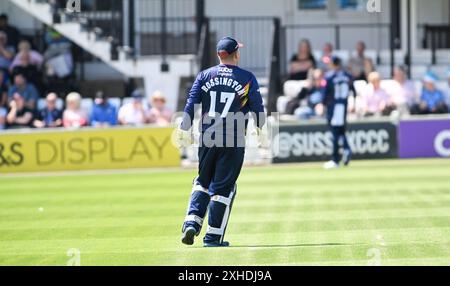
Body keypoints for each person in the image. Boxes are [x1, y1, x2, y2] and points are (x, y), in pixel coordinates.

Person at [176, 36, 266, 247]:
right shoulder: (247, 78)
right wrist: (262, 132)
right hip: (233, 140)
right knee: (224, 188)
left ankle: (192, 221)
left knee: (203, 181)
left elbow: (191, 105)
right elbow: (257, 108)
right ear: (236, 54)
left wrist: (183, 129)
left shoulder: (204, 75)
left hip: (207, 137)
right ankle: (213, 237)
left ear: (219, 55)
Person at [323, 56, 354, 169]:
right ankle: (346, 149)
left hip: (335, 107)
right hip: (344, 106)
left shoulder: (330, 76)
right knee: (341, 131)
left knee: (335, 133)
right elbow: (353, 90)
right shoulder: (348, 75)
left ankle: (335, 159)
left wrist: (323, 105)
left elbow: (326, 94)